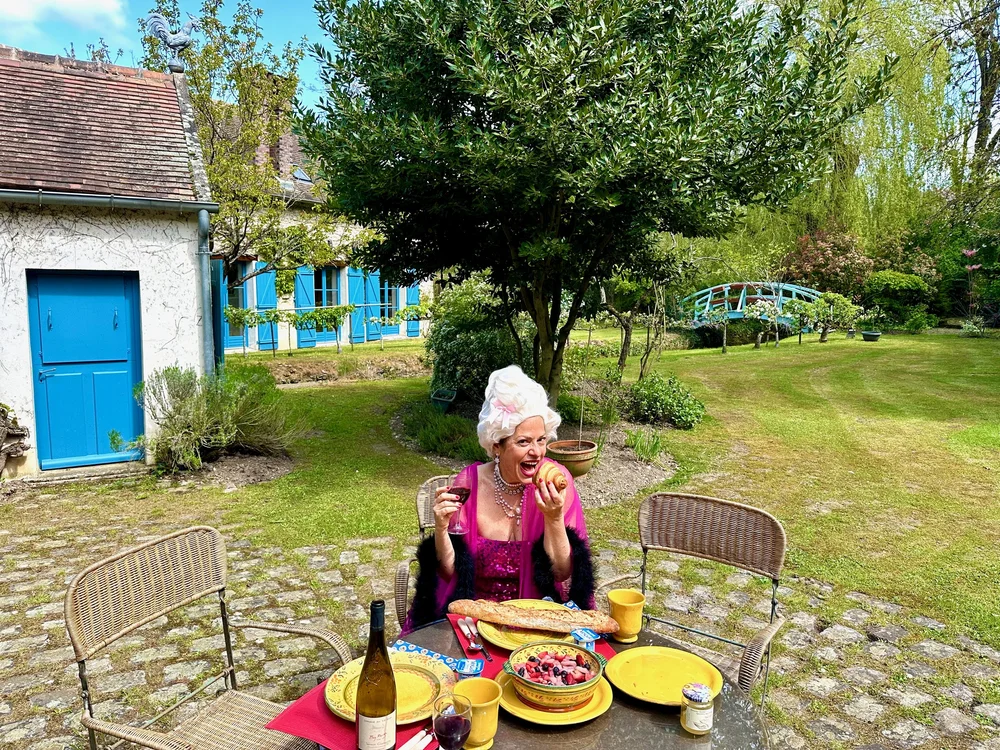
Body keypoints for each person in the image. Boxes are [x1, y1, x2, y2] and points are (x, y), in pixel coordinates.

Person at [403, 365, 595, 633]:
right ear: (496, 445)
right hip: (477, 623)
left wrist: (553, 518)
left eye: (541, 440)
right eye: (523, 442)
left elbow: (563, 574)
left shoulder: (557, 481)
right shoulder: (469, 483)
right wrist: (442, 529)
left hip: (538, 621)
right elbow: (449, 572)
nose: (537, 452)